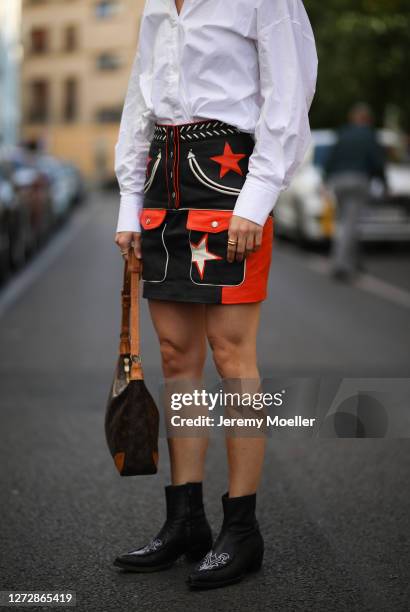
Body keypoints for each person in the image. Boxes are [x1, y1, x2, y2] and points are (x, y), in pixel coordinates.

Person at [113, 0, 317, 589]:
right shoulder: (157, 3)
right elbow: (138, 95)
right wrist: (131, 202)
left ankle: (242, 528)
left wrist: (257, 200)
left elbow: (291, 88)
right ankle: (185, 521)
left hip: (231, 180)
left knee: (233, 358)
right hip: (163, 179)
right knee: (177, 358)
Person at [324, 103, 387, 281]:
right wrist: (383, 182)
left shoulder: (342, 133)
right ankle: (341, 266)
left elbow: (331, 158)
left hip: (338, 181)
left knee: (343, 222)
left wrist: (326, 179)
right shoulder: (369, 135)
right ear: (366, 119)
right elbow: (377, 162)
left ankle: (354, 261)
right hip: (358, 180)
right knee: (350, 223)